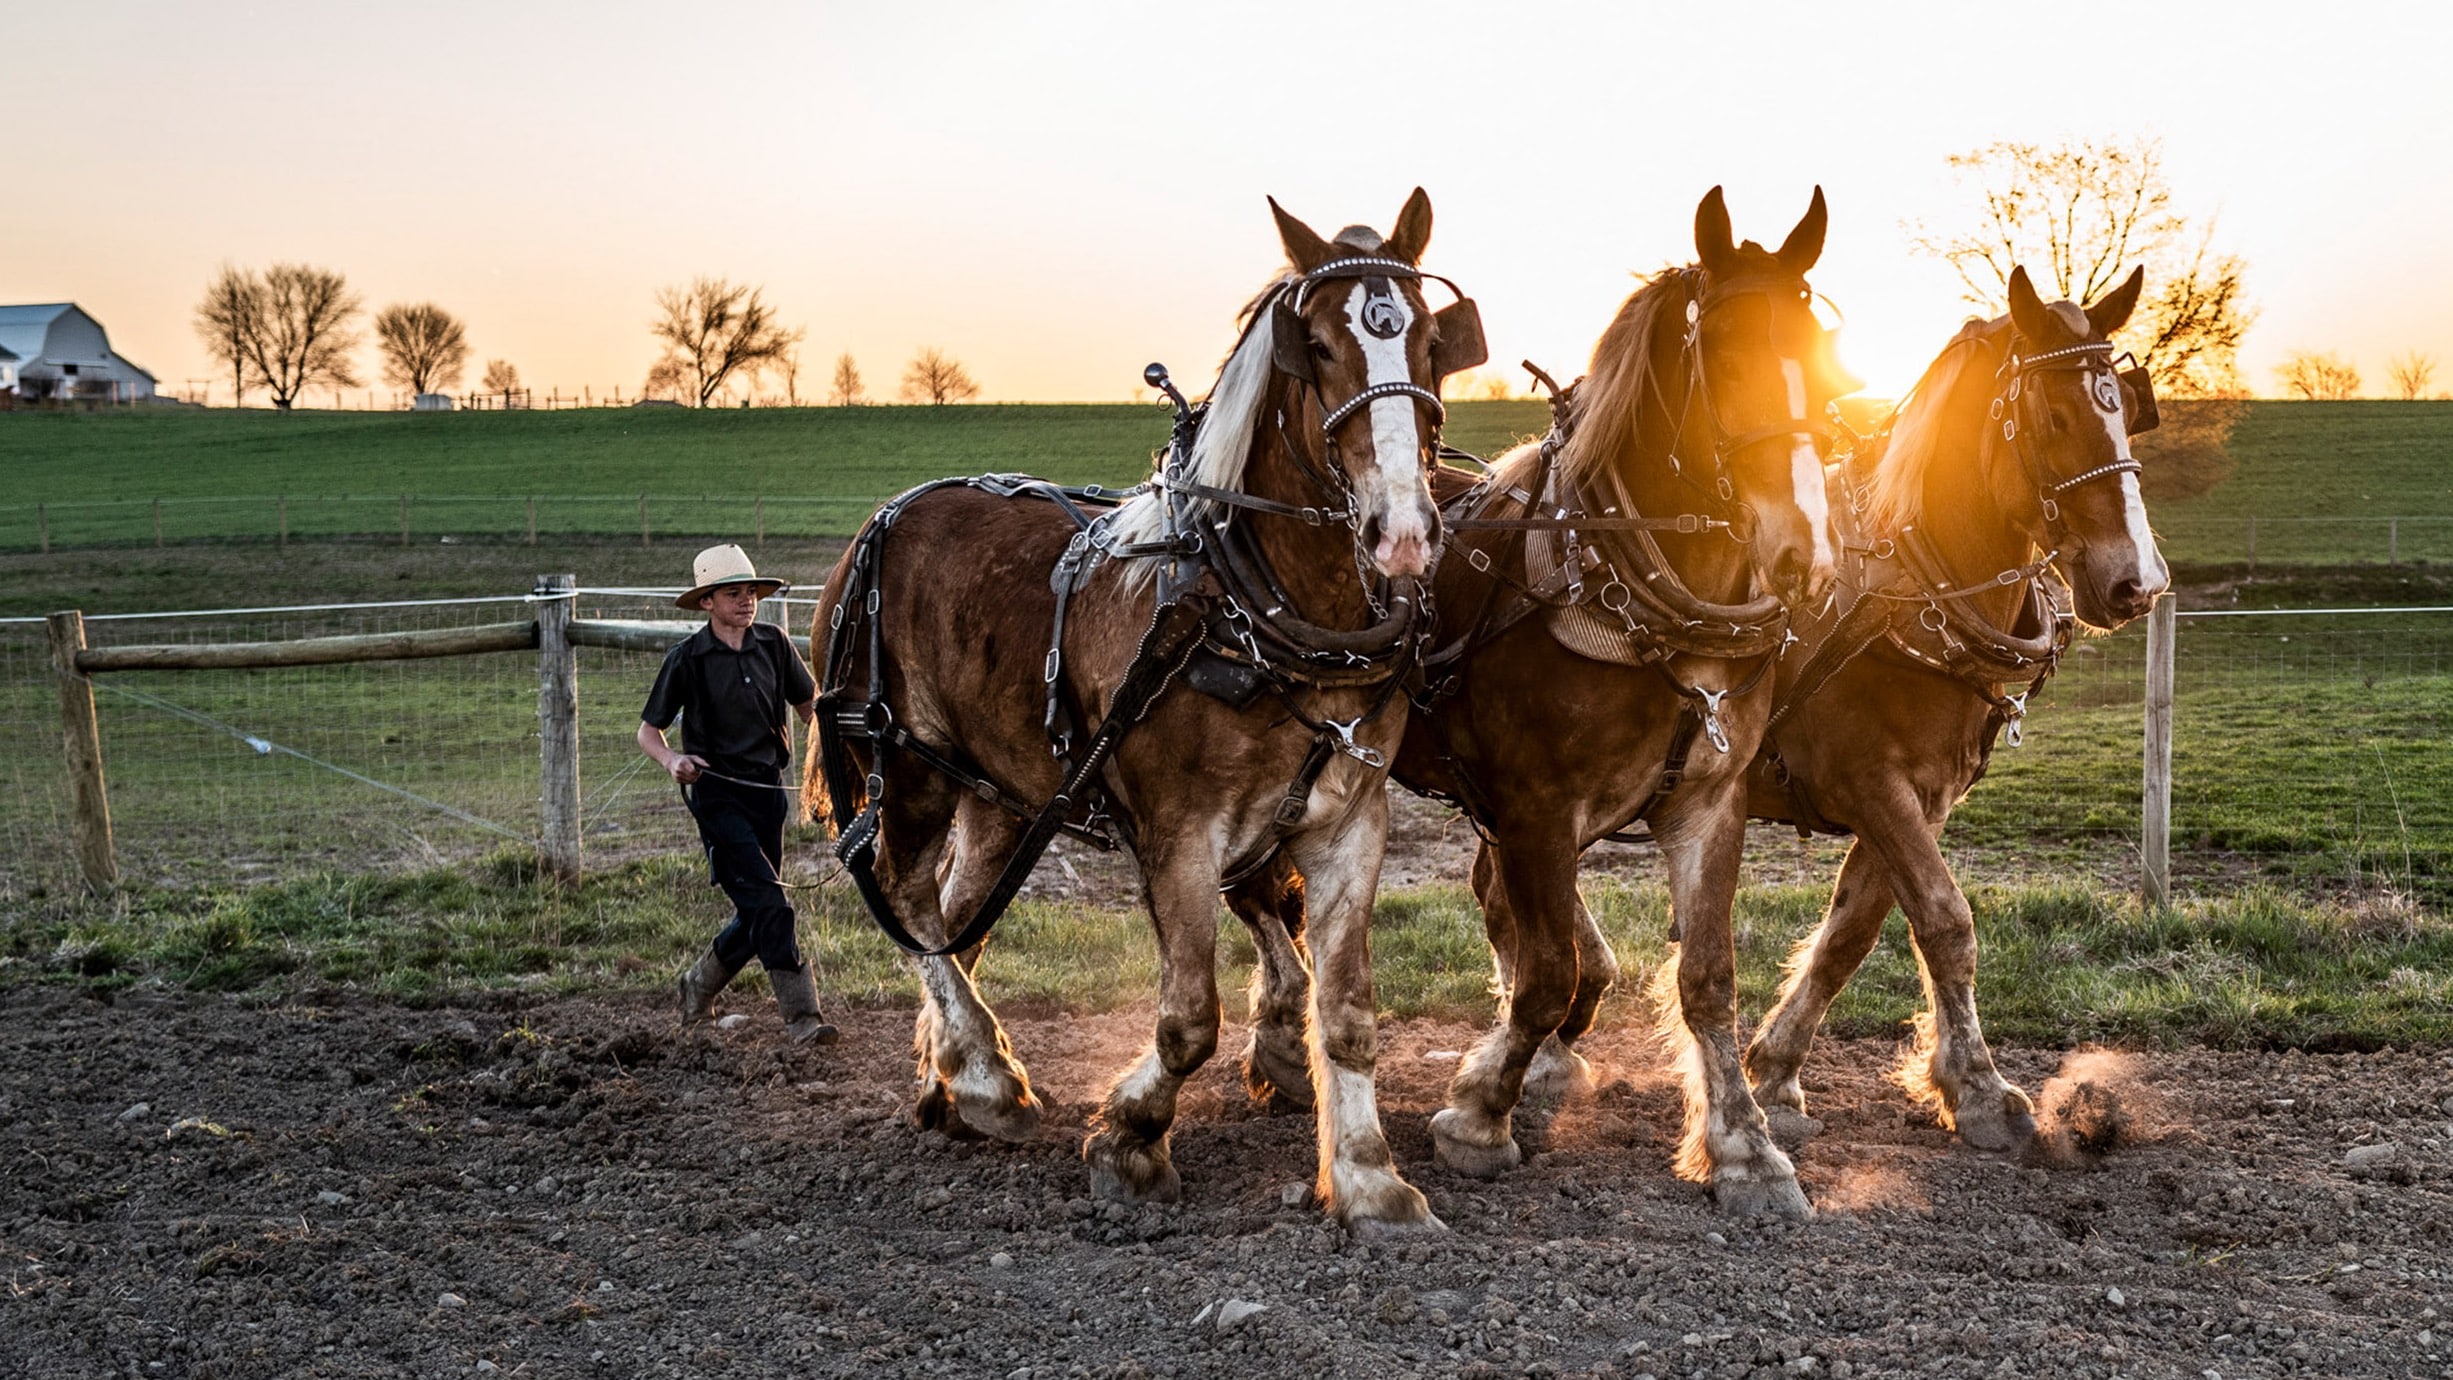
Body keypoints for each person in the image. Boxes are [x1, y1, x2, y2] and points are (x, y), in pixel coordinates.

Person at [636, 544, 837, 1044]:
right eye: (733, 593)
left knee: (757, 910)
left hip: (769, 792)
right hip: (717, 797)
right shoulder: (688, 659)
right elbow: (648, 732)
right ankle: (803, 1018)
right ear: (707, 601)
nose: (746, 601)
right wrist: (673, 761)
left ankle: (697, 986)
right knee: (771, 904)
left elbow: (809, 706)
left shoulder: (774, 644)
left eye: (751, 592)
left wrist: (833, 746)